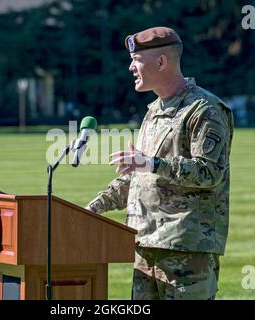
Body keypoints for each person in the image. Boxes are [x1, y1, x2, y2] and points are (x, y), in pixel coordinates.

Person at [85, 26, 234, 300]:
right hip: (145, 246)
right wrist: (91, 210)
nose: (130, 68)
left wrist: (151, 163)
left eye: (136, 60)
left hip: (186, 250)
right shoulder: (154, 111)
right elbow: (138, 177)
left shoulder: (205, 110)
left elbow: (210, 172)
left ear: (161, 62)